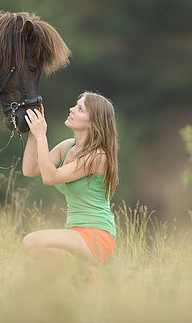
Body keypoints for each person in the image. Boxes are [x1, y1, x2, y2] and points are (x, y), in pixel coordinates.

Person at [21, 91, 118, 266]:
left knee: (31, 242)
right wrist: (33, 133)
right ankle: (87, 278)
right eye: (76, 105)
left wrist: (42, 135)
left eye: (80, 109)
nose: (72, 109)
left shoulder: (97, 157)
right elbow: (30, 169)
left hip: (97, 235)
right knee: (34, 266)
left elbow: (50, 177)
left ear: (94, 122)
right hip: (75, 232)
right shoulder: (67, 147)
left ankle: (91, 274)